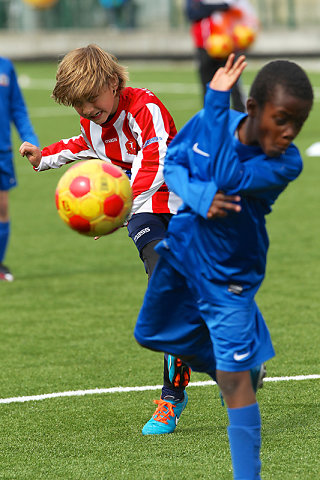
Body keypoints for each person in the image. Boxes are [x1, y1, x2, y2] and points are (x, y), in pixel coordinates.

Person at [19, 44, 240, 434]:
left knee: (203, 296)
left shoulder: (145, 108)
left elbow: (158, 160)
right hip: (146, 215)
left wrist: (121, 202)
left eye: (90, 100)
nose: (86, 111)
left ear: (112, 81)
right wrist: (44, 157)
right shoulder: (94, 121)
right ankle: (173, 396)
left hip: (183, 206)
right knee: (167, 292)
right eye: (78, 106)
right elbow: (84, 145)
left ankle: (231, 368)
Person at [134, 54, 313, 478]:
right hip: (180, 257)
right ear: (252, 109)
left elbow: (225, 176)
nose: (290, 133)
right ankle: (240, 364)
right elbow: (174, 163)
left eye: (298, 124)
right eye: (282, 119)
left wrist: (215, 104)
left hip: (230, 277)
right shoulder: (208, 121)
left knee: (234, 387)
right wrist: (196, 197)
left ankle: (246, 468)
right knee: (150, 333)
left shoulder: (285, 163)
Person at [0, 56, 39, 282]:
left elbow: (18, 109)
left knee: (2, 207)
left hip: (2, 151)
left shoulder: (6, 67)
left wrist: (30, 138)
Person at [185, 0, 248, 111]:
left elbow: (232, 7)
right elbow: (192, 13)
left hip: (225, 45)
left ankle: (241, 117)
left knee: (233, 83)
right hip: (204, 47)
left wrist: (207, 7)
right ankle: (210, 117)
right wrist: (218, 6)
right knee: (207, 85)